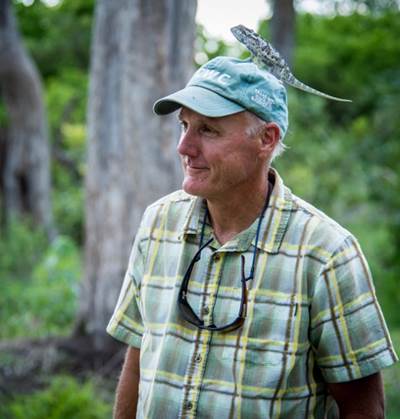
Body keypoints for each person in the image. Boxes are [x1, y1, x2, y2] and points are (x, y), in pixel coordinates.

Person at [106, 56, 398, 419]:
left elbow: (363, 407)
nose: (184, 146)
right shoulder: (158, 224)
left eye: (208, 130)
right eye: (184, 125)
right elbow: (139, 357)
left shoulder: (326, 254)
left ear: (266, 139)